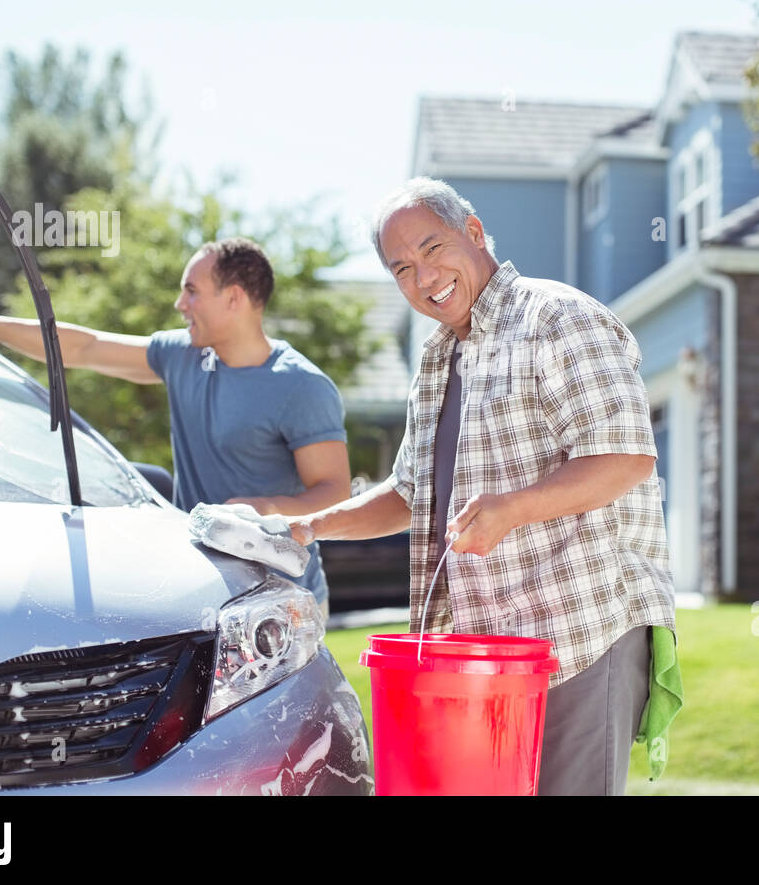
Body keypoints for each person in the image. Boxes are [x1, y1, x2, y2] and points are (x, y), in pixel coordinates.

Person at [286, 177, 677, 795]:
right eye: (402, 268)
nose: (424, 277)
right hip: (481, 658)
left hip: (580, 635)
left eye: (433, 248)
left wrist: (511, 509)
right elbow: (410, 494)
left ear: (473, 231)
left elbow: (625, 456)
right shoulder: (438, 360)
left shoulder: (556, 318)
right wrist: (310, 527)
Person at [0, 237, 350, 614]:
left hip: (288, 596)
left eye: (192, 291)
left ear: (233, 298)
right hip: (211, 590)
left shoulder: (300, 386)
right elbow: (83, 347)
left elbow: (334, 492)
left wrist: (259, 508)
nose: (180, 304)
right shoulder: (183, 357)